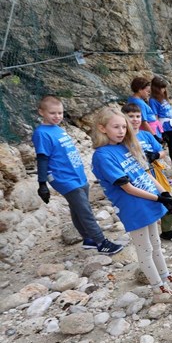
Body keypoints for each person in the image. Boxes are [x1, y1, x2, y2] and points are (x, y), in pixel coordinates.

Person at [91, 107, 172, 303]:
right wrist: (159, 199)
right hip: (134, 207)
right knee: (144, 248)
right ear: (102, 128)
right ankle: (158, 289)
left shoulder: (126, 146)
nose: (121, 131)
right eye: (116, 127)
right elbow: (127, 187)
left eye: (123, 127)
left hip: (148, 200)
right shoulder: (102, 156)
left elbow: (144, 174)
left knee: (155, 244)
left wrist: (163, 192)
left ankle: (166, 276)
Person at [32, 96, 124, 255]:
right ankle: (102, 242)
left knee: (77, 209)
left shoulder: (58, 129)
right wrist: (42, 184)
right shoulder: (41, 133)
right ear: (41, 112)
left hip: (78, 175)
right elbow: (42, 158)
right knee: (85, 210)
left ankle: (88, 239)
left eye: (60, 113)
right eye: (52, 113)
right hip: (64, 178)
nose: (57, 116)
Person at [122, 103, 172, 243]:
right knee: (148, 203)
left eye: (138, 116)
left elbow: (163, 152)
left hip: (155, 172)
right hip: (137, 177)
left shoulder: (146, 135)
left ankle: (166, 231)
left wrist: (155, 155)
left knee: (168, 198)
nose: (135, 119)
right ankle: (147, 235)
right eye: (131, 116)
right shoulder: (123, 139)